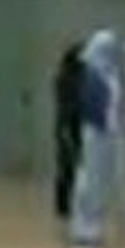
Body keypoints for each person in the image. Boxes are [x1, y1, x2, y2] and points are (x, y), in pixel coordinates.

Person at [69, 27, 125, 247]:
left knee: (105, 180)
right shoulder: (92, 75)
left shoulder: (110, 74)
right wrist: (105, 129)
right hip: (96, 133)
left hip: (109, 133)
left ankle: (99, 224)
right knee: (91, 179)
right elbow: (93, 107)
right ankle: (84, 227)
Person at [52, 42, 85, 220]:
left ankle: (71, 205)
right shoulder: (66, 78)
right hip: (69, 125)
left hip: (74, 125)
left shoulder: (77, 76)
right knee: (67, 166)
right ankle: (64, 206)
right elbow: (69, 106)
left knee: (73, 167)